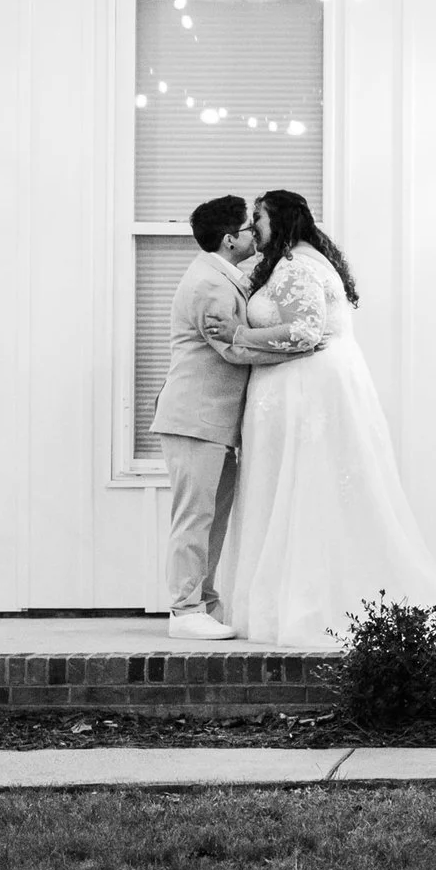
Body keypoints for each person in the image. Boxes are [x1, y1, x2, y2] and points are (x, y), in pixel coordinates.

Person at [211, 189, 436, 646]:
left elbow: (307, 331)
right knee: (300, 491)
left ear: (283, 221)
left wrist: (241, 334)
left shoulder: (298, 266)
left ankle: (312, 602)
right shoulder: (298, 262)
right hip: (302, 393)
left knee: (309, 491)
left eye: (260, 218)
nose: (254, 226)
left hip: (309, 393)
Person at [149, 196, 313, 641]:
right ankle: (184, 611)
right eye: (248, 227)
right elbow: (232, 348)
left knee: (213, 518)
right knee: (194, 517)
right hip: (194, 419)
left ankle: (204, 604)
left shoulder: (225, 277)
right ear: (229, 239)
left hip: (216, 424)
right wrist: (302, 344)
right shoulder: (209, 286)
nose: (253, 234)